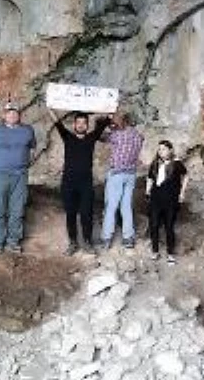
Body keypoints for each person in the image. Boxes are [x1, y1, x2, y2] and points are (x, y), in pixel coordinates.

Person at [45, 106, 107, 255]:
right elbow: (56, 121)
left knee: (86, 213)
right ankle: (72, 243)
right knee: (71, 214)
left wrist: (109, 106)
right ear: (74, 125)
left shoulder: (92, 137)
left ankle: (87, 241)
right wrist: (50, 106)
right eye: (78, 122)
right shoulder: (68, 137)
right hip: (68, 183)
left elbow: (108, 119)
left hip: (86, 183)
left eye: (83, 123)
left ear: (87, 125)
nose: (80, 125)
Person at [0, 101, 37, 253]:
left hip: (20, 175)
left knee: (17, 209)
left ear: (19, 114)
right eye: (9, 112)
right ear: (4, 115)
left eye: (15, 112)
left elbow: (32, 149)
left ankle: (14, 241)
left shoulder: (28, 130)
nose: (12, 115)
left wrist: (25, 165)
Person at [100, 111, 144, 250]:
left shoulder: (117, 135)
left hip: (117, 174)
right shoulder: (137, 135)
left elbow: (99, 137)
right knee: (125, 206)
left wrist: (105, 122)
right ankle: (128, 237)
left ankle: (106, 237)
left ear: (123, 121)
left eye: (116, 120)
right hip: (131, 174)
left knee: (111, 206)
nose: (114, 123)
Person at [145, 140, 187, 263]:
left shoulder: (177, 164)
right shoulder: (155, 163)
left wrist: (182, 192)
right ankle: (155, 251)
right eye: (159, 149)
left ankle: (170, 253)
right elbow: (150, 178)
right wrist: (147, 191)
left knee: (169, 226)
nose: (161, 151)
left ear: (170, 150)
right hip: (156, 197)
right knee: (154, 225)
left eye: (163, 149)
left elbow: (186, 175)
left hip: (171, 199)